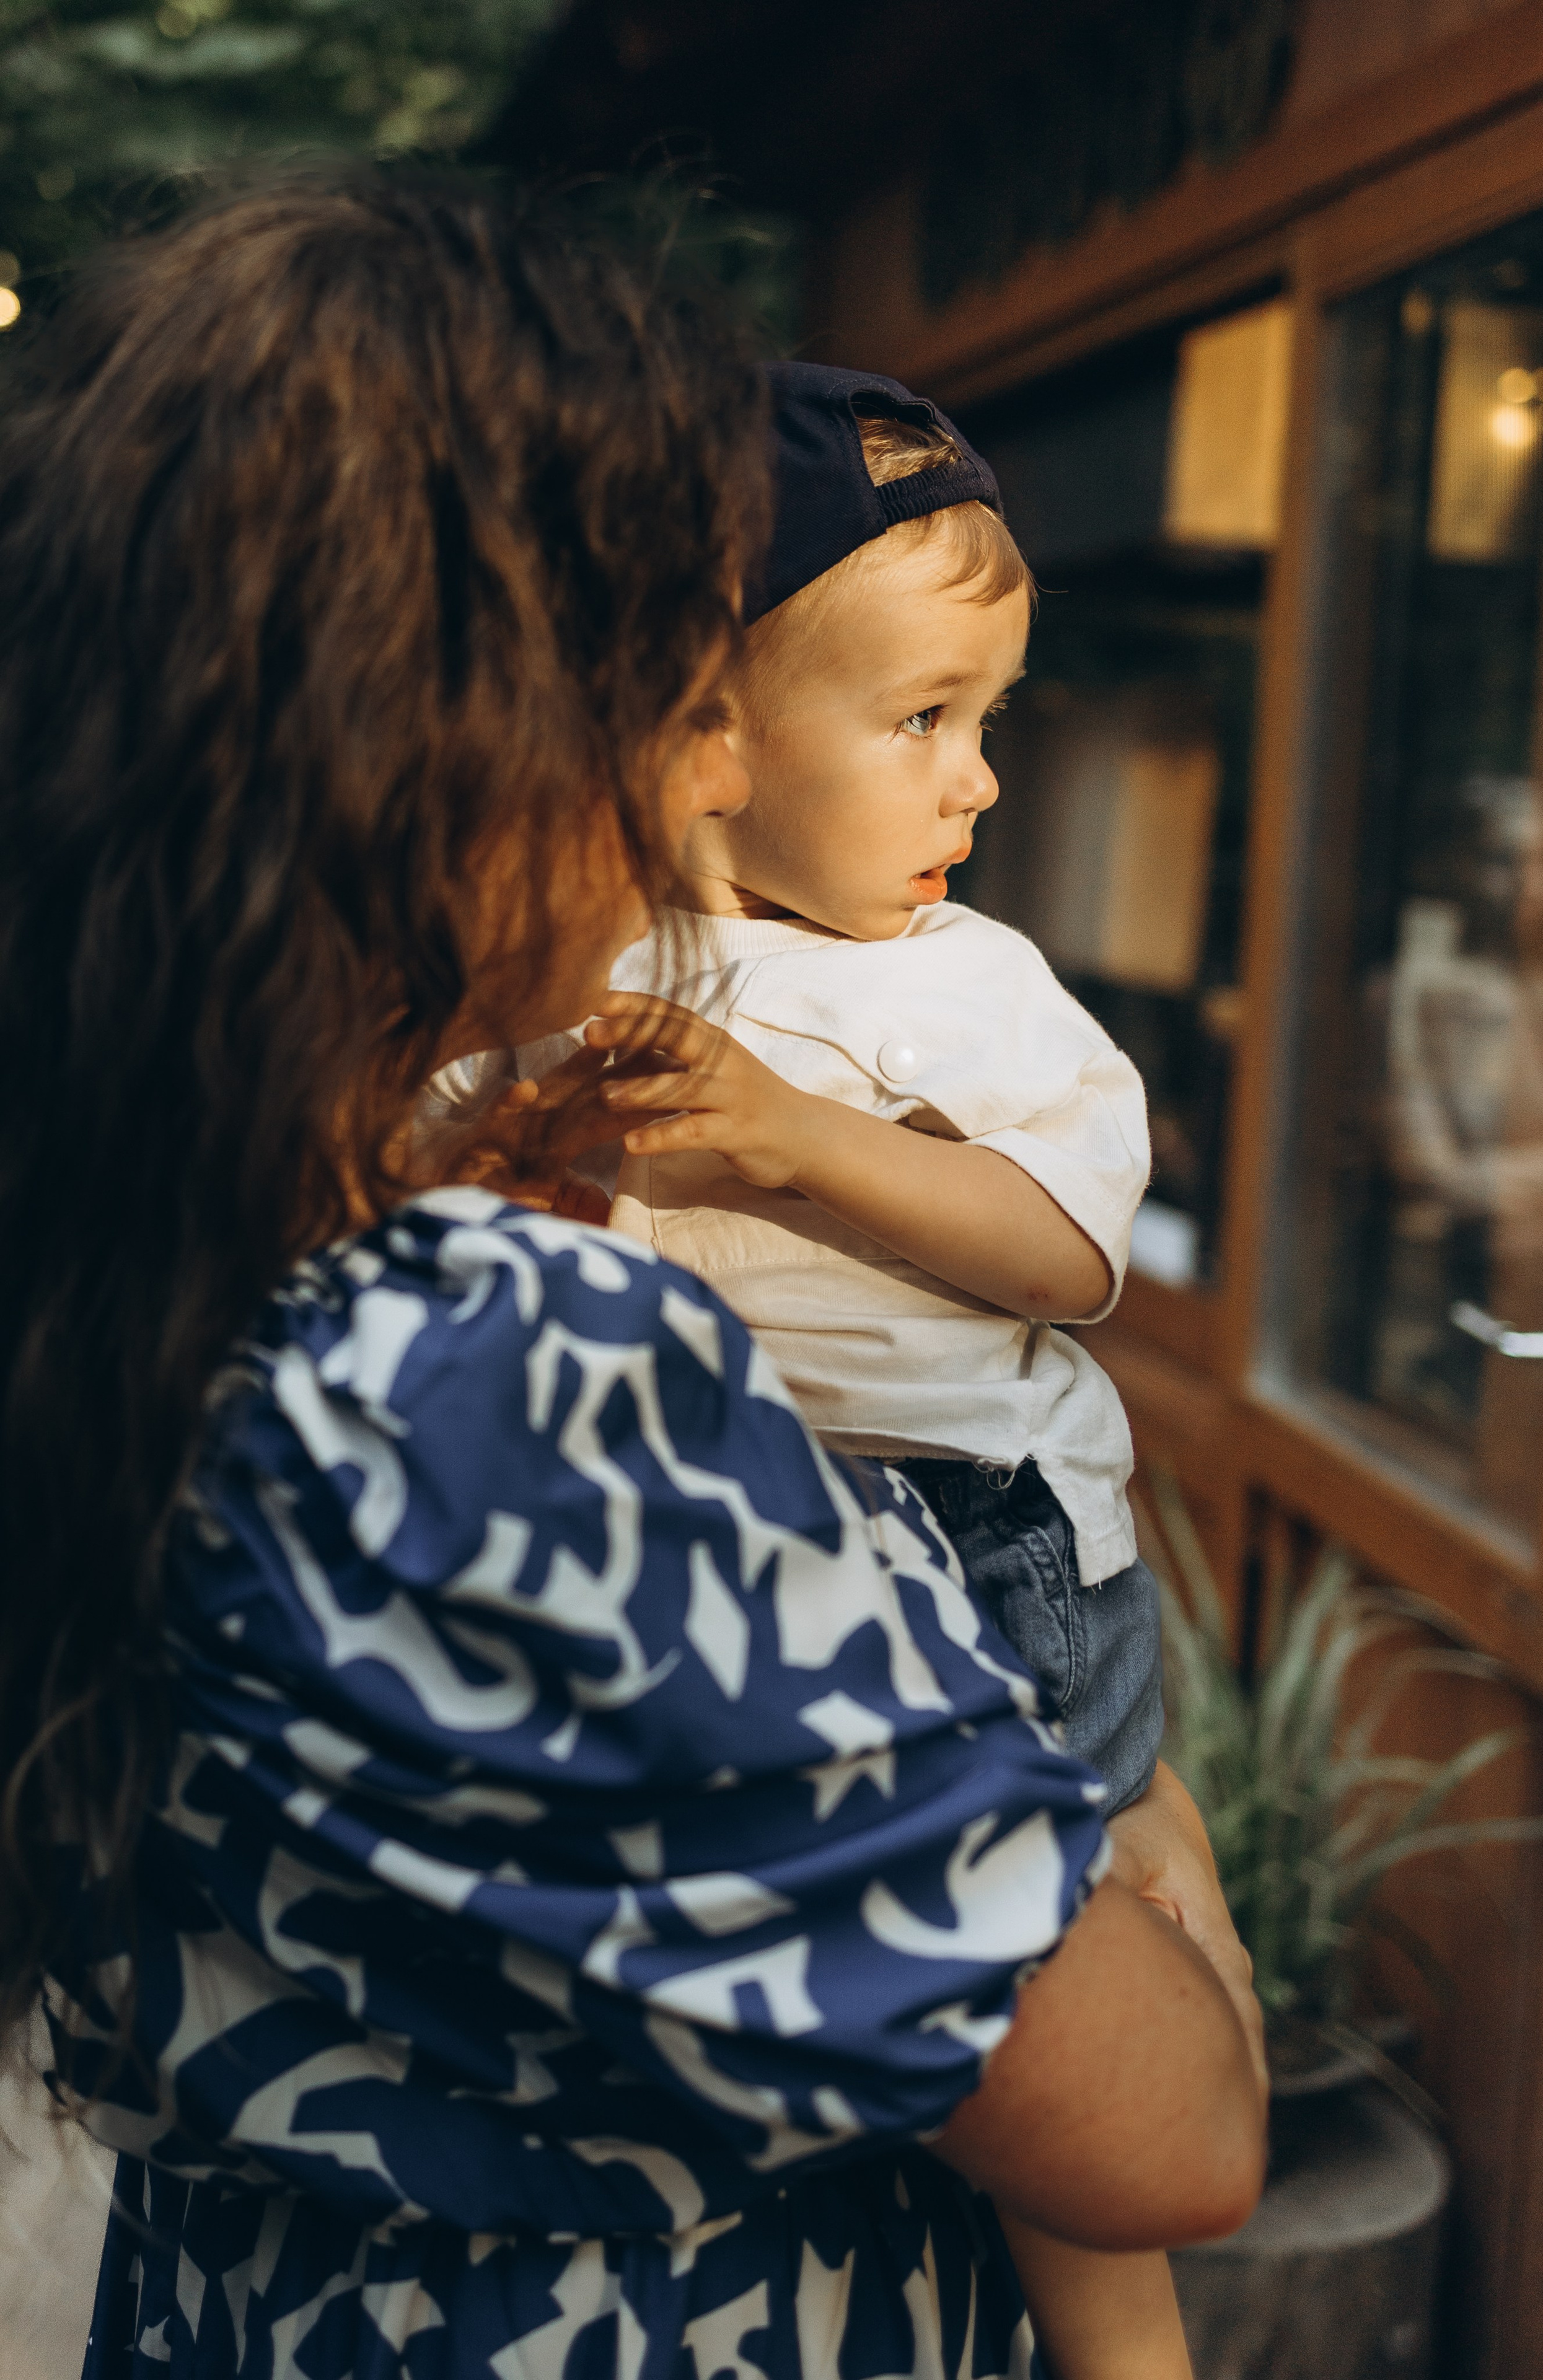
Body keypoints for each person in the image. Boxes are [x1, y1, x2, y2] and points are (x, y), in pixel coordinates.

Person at [0, 177, 1265, 2379]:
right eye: (671, 684)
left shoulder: (131, 1237)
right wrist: (1158, 1858)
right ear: (454, 734)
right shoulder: (484, 1366)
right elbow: (1166, 2127)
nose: (705, 772)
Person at [521, 364, 1261, 2376]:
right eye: (924, 719)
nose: (980, 782)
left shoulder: (962, 982)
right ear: (704, 727)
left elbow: (1070, 1252)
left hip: (990, 1537)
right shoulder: (605, 951)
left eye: (988, 721)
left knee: (1063, 2074)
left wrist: (798, 1141)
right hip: (752, 1541)